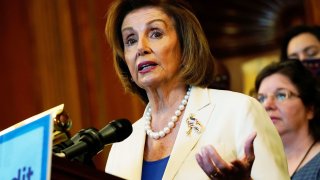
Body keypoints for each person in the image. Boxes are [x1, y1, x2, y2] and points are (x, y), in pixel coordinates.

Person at [104, 0, 289, 179]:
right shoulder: (122, 145)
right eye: (130, 40)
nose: (141, 48)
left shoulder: (240, 111)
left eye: (155, 34)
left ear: (185, 43)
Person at [255, 60, 320, 179]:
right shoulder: (255, 164)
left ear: (310, 109)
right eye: (261, 98)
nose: (267, 104)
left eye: (281, 95)